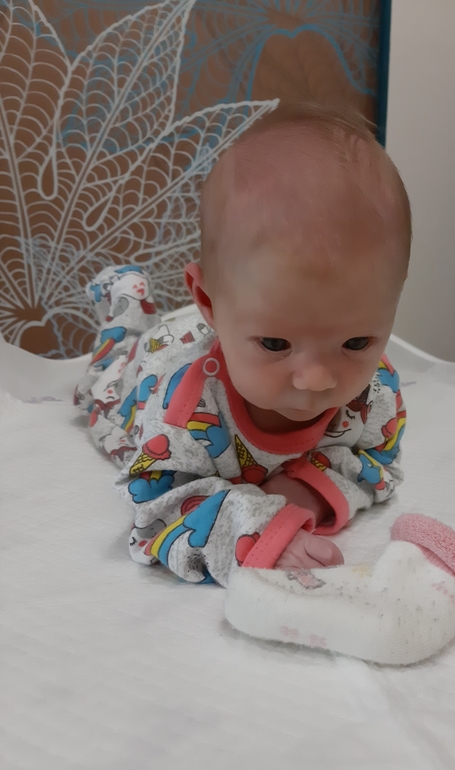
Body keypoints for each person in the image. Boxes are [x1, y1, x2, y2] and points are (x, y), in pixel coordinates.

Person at [75, 103, 412, 586]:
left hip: (214, 326)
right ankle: (126, 303)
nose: (316, 379)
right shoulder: (184, 409)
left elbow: (379, 461)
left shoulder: (374, 390)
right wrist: (261, 530)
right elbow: (157, 503)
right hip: (154, 360)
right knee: (104, 378)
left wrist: (309, 489)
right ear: (208, 301)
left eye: (356, 341)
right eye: (275, 343)